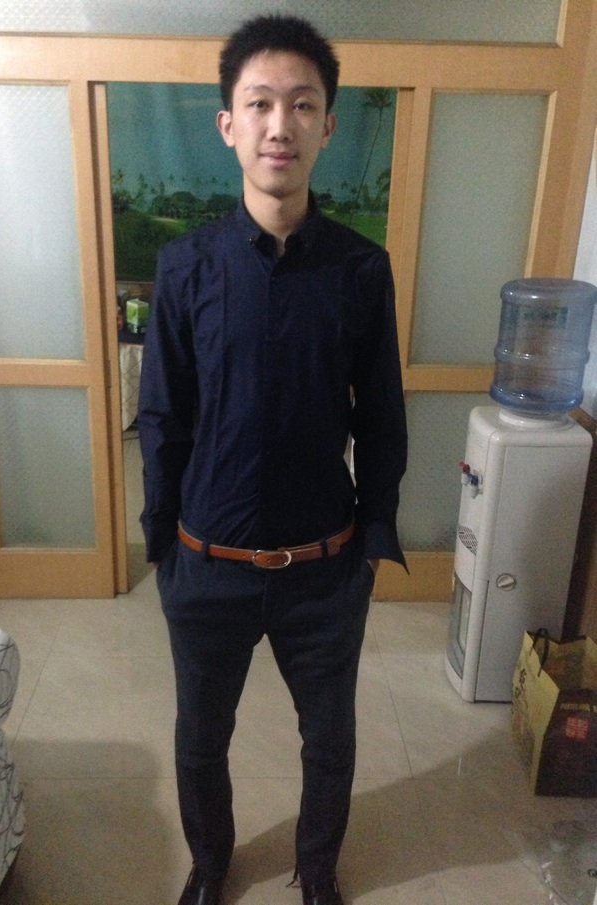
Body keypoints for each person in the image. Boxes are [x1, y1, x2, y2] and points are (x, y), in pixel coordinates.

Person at [138, 14, 407, 905]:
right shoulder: (185, 267)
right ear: (229, 124)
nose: (279, 125)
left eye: (301, 104)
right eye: (259, 104)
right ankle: (211, 865)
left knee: (329, 741)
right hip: (205, 562)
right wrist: (162, 544)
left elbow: (383, 415)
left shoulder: (361, 270)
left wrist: (374, 537)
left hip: (324, 570)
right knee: (199, 740)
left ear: (328, 124)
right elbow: (163, 414)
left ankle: (317, 871)